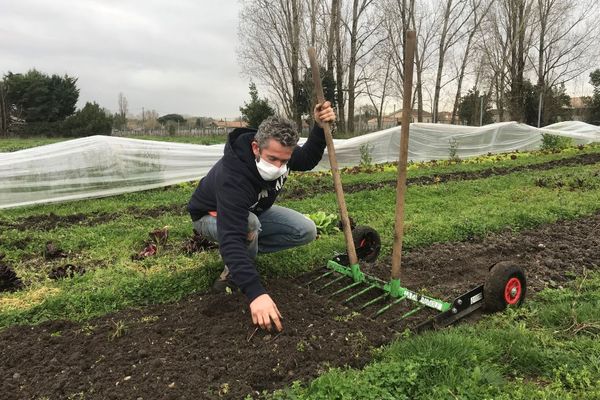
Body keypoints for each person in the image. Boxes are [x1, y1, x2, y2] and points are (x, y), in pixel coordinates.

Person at [188, 102, 336, 332]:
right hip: (209, 216)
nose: (279, 167)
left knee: (305, 230)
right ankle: (234, 273)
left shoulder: (281, 150)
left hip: (254, 210)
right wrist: (256, 293)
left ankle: (244, 254)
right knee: (246, 227)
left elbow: (306, 159)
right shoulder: (234, 177)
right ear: (256, 148)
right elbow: (230, 235)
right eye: (273, 159)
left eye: (285, 161)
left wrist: (318, 128)